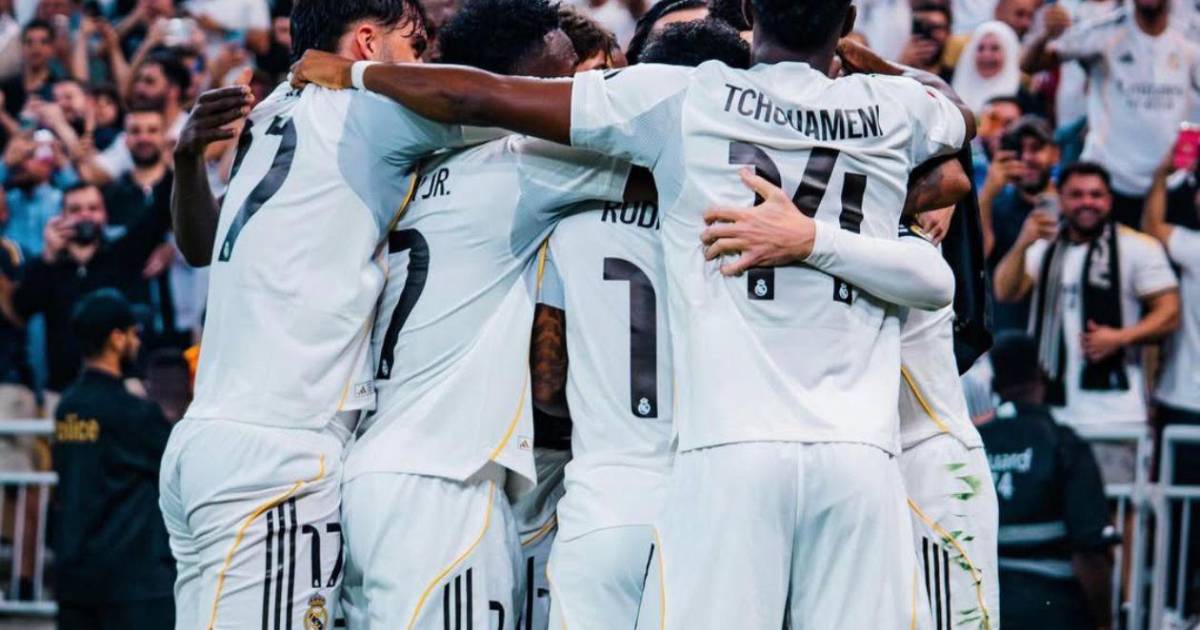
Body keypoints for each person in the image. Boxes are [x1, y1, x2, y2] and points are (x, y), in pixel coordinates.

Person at [289, 1, 975, 624]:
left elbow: (476, 95)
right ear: (848, 20)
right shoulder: (890, 109)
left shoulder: (663, 117)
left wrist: (352, 75)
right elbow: (956, 137)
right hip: (854, 458)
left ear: (750, 11)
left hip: (660, 475)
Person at [162, 1, 500, 628]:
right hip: (280, 452)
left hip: (208, 438)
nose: (422, 63)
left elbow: (200, 245)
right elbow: (478, 101)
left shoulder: (271, 111)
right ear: (368, 43)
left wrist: (187, 162)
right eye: (415, 45)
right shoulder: (371, 109)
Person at [335, 1, 639, 626]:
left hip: (373, 471)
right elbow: (671, 177)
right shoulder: (525, 161)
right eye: (559, 82)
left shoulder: (407, 168)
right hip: (444, 486)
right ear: (507, 89)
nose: (572, 98)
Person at [529, 19, 748, 630]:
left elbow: (546, 383)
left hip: (605, 497)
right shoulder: (747, 232)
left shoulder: (570, 222)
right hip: (709, 502)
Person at [993, 162, 1179, 480]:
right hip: (1052, 409)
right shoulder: (1045, 246)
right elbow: (1005, 291)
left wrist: (1120, 337)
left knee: (1116, 503)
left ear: (1109, 199)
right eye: (1076, 195)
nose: (1087, 202)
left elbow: (1170, 312)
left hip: (1114, 413)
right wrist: (1024, 241)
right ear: (1061, 198)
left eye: (1096, 195)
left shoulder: (1137, 247)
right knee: (1051, 503)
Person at [895, 214, 1000, 630]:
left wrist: (950, 198)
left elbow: (954, 178)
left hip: (934, 464)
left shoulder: (910, 252)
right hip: (875, 464)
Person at [52, 289, 175, 630]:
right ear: (116, 339)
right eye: (133, 333)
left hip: (76, 578)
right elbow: (175, 470)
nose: (138, 342)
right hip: (134, 585)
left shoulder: (67, 407)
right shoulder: (134, 412)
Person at [978, 332, 1114, 630]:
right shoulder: (1063, 444)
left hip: (983, 607)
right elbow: (1091, 553)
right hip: (1053, 609)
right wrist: (1105, 622)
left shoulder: (975, 443)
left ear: (995, 384)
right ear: (1041, 376)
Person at [1022, 0, 1200, 227]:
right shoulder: (1103, 33)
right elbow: (1030, 65)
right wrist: (1045, 36)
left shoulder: (1189, 40)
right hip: (1109, 183)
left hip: (1169, 184)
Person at [12, 182, 170, 392]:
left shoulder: (122, 254)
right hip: (64, 389)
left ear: (105, 214)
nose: (85, 215)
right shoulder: (48, 266)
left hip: (121, 384)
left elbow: (158, 216)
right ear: (62, 217)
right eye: (75, 210)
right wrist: (48, 256)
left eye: (93, 208)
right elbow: (21, 308)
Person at [1144, 150, 1200, 613]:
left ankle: (1176, 611)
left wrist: (1162, 171)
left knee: (1180, 520)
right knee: (1181, 519)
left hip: (1185, 400)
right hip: (1183, 400)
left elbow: (1153, 225)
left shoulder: (1194, 248)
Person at [980, 115, 1059, 332]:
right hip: (1007, 330)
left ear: (1055, 154)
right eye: (1018, 151)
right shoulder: (996, 206)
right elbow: (978, 253)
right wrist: (988, 192)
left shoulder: (1073, 205)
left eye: (1036, 148)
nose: (1026, 158)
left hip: (1055, 329)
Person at [951, 20, 1021, 114]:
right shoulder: (948, 90)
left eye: (995, 48)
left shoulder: (1023, 99)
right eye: (980, 48)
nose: (986, 55)